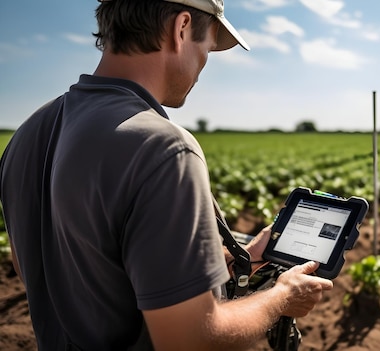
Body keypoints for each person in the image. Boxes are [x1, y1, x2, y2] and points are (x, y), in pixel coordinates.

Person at [0, 0, 333, 349]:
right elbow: (190, 340)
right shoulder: (163, 147)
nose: (203, 64)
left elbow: (46, 269)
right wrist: (282, 297)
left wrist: (238, 257)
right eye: (206, 47)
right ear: (182, 28)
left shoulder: (27, 134)